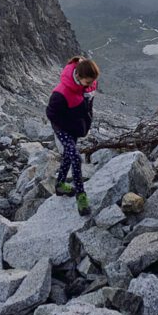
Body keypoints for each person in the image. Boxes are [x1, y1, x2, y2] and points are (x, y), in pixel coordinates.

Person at [45, 57, 99, 217]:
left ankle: (60, 184)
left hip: (76, 125)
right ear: (79, 77)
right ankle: (81, 198)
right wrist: (69, 127)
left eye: (92, 82)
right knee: (75, 157)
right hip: (63, 127)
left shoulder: (90, 84)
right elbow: (51, 113)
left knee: (68, 156)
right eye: (87, 83)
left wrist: (85, 123)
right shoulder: (61, 93)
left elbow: (89, 104)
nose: (90, 86)